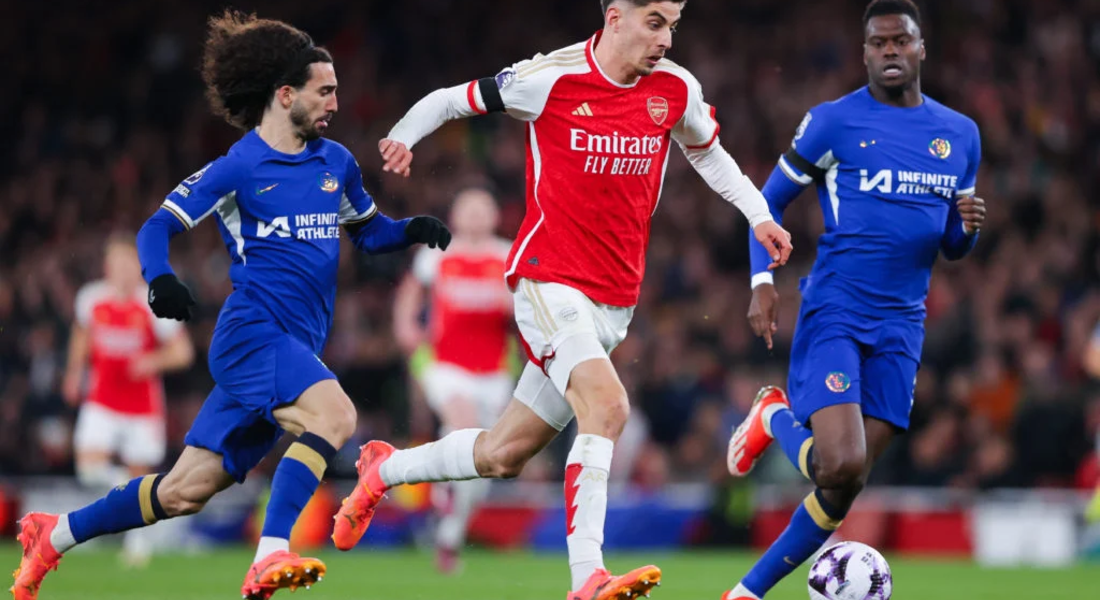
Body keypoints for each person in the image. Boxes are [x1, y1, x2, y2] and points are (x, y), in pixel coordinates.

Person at [329, 1, 793, 598]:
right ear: (615, 15)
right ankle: (587, 578)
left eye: (674, 24)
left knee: (503, 454)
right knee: (608, 405)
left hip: (614, 302)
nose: (667, 39)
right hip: (548, 280)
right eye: (655, 22)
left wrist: (758, 215)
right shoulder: (550, 78)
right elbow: (451, 98)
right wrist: (402, 136)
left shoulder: (675, 89)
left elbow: (707, 152)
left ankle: (382, 469)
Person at [10, 11, 451, 600]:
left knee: (184, 490)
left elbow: (367, 232)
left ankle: (54, 534)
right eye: (326, 90)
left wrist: (410, 230)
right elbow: (154, 228)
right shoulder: (238, 167)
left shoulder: (336, 163)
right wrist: (159, 279)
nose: (337, 104)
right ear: (285, 94)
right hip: (252, 335)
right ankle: (268, 556)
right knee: (336, 417)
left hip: (294, 347)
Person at [723, 1, 986, 598]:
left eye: (901, 40)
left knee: (846, 484)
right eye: (878, 42)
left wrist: (967, 228)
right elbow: (767, 204)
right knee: (838, 464)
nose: (890, 50)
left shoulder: (960, 134)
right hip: (837, 310)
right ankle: (772, 415)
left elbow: (950, 245)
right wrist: (761, 282)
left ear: (922, 48)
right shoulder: (832, 123)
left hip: (903, 323)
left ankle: (744, 593)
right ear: (865, 52)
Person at [393, 187, 514, 574]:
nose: (477, 216)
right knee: (462, 421)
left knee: (487, 459)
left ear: (495, 216)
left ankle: (449, 534)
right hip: (444, 361)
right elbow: (411, 294)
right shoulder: (437, 252)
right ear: (455, 215)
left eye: (484, 209)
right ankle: (440, 483)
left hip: (494, 369)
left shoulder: (508, 254)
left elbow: (526, 304)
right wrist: (407, 327)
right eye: (469, 208)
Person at [62, 233, 195, 567]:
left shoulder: (153, 304)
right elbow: (82, 334)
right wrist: (73, 373)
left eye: (128, 263)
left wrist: (152, 361)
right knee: (89, 467)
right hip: (102, 399)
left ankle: (138, 548)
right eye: (116, 263)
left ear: (137, 267)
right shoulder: (91, 298)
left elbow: (183, 352)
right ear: (107, 266)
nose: (121, 270)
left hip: (142, 406)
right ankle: (121, 490)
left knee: (140, 475)